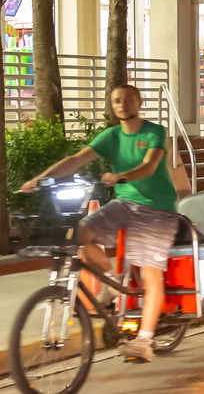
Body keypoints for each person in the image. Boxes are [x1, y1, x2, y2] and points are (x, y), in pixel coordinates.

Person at [22, 85, 186, 363]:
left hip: (157, 210)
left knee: (150, 274)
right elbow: (76, 159)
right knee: (78, 233)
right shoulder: (111, 135)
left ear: (139, 102)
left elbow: (149, 165)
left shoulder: (154, 132)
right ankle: (113, 280)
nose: (122, 104)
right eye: (117, 101)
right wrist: (41, 179)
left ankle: (144, 340)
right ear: (112, 106)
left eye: (128, 99)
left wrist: (121, 176)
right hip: (123, 206)